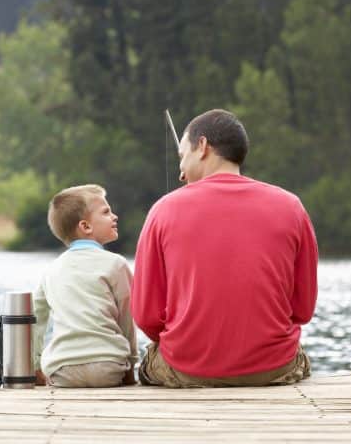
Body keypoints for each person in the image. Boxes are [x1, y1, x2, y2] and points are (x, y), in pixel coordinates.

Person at [132, 109, 318, 388]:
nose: (180, 174)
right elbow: (302, 310)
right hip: (273, 368)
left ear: (203, 146)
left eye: (182, 156)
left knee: (147, 363)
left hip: (188, 369)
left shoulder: (163, 210)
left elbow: (146, 316)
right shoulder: (291, 206)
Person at [32, 184, 137, 387]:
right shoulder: (116, 264)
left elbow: (36, 318)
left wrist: (34, 366)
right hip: (108, 367)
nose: (114, 216)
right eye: (106, 212)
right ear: (86, 226)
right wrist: (131, 364)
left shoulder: (51, 270)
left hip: (62, 369)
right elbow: (127, 318)